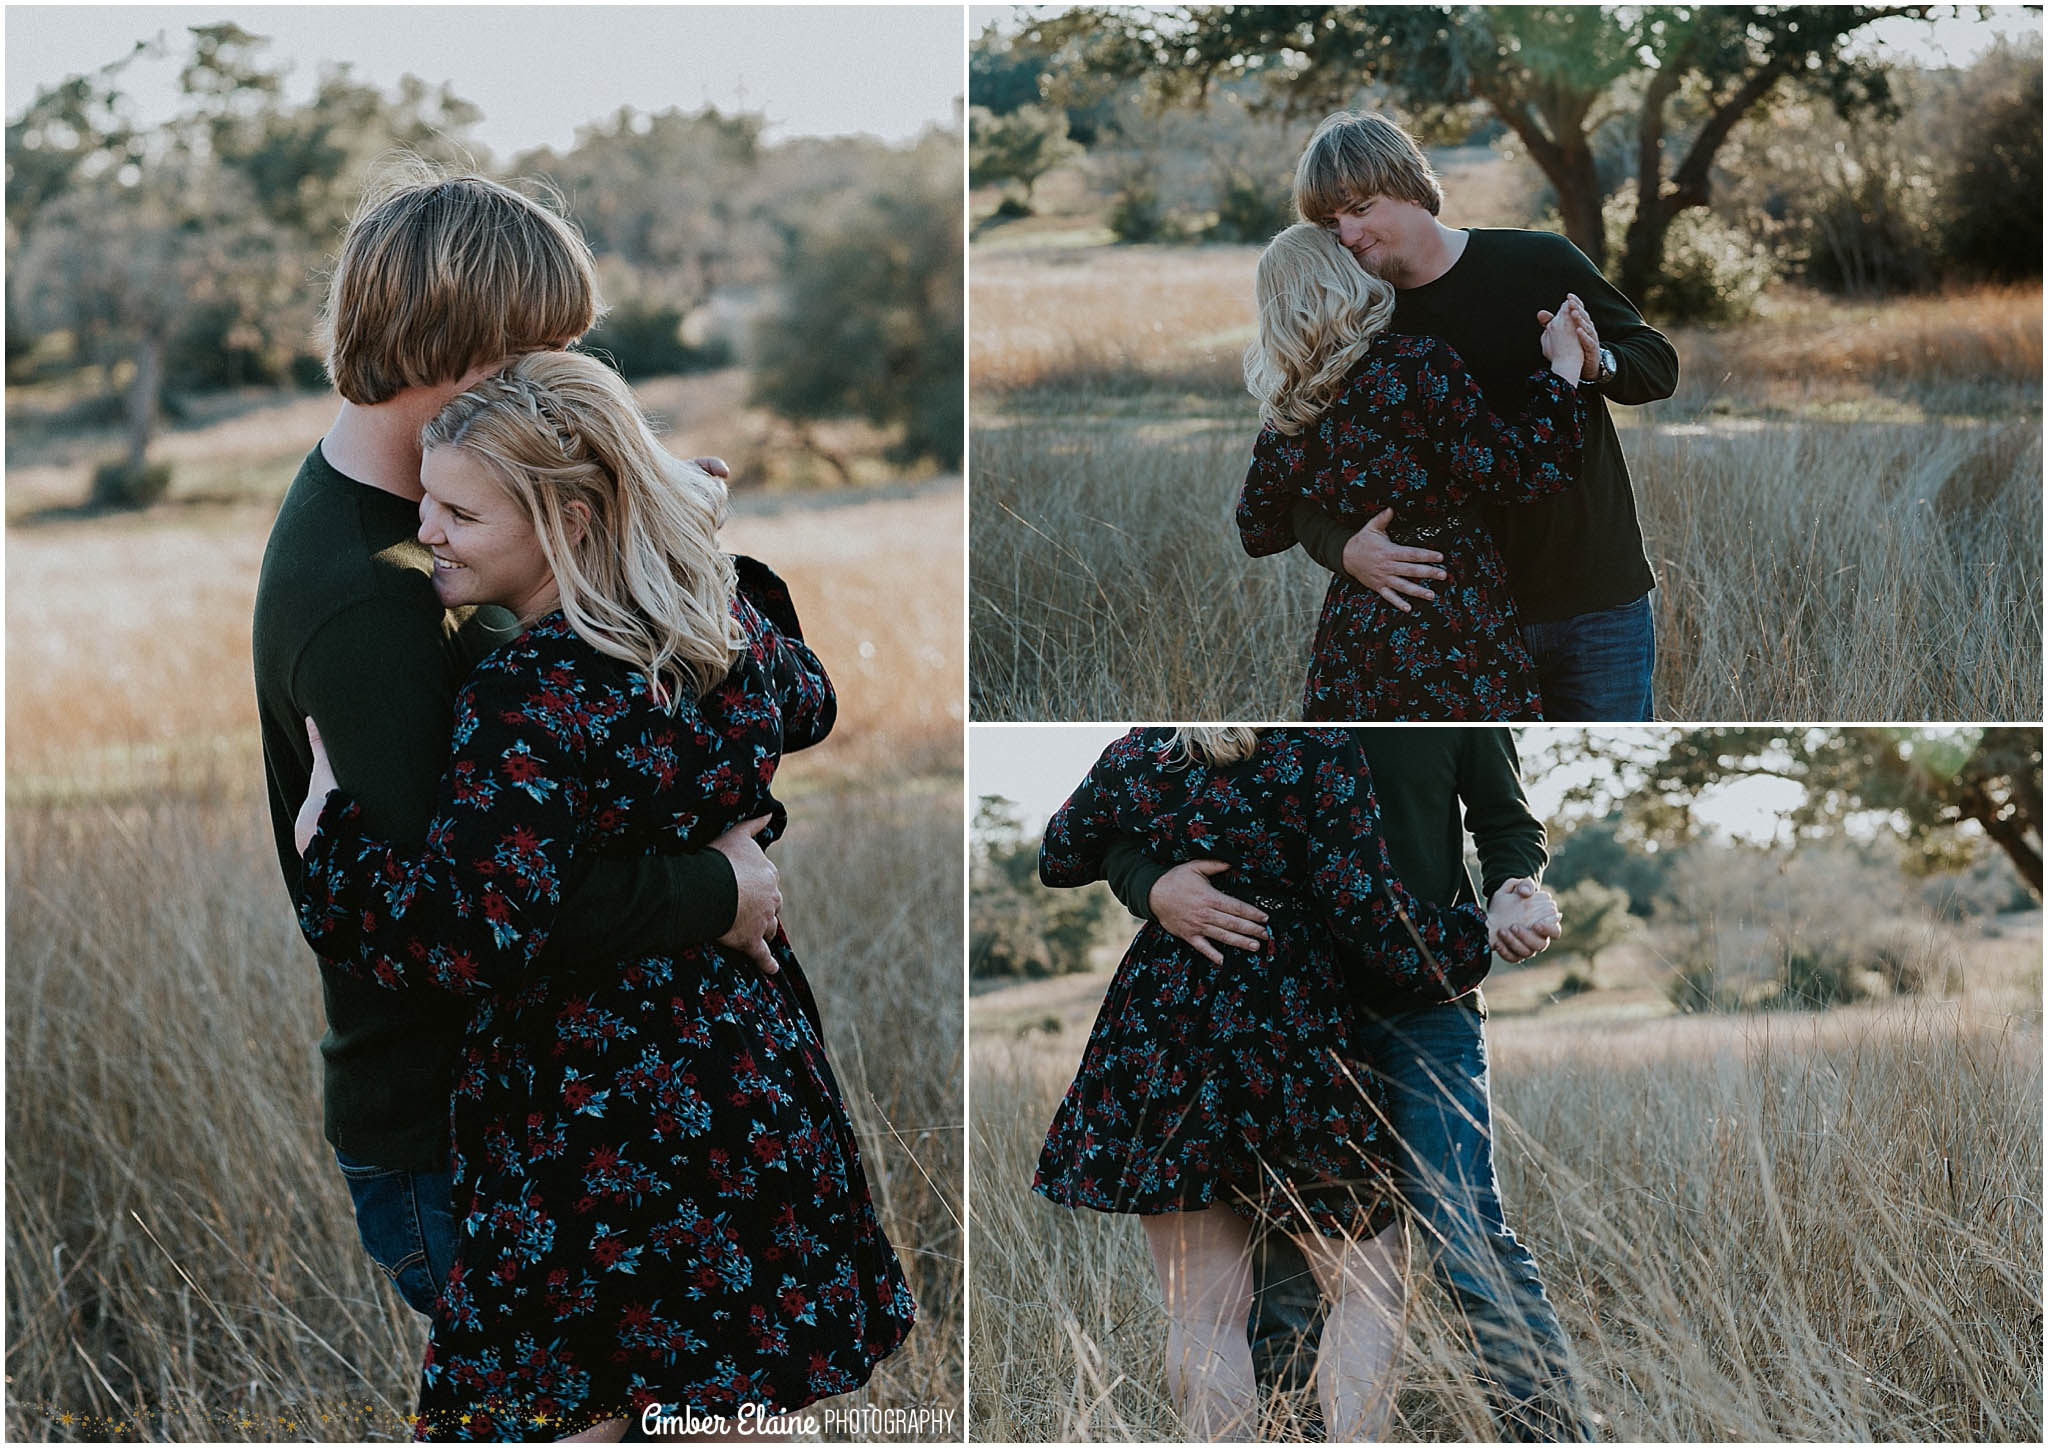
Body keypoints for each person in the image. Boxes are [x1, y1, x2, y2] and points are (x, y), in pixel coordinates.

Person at [290, 351, 915, 1440]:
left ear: (570, 521)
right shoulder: (719, 636)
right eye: (426, 500)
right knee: (731, 1402)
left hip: (597, 1109)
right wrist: (691, 542)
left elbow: (471, 934)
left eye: (460, 512)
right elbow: (807, 699)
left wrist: (331, 846)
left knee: (585, 1412)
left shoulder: (526, 693)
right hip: (749, 1075)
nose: (425, 529)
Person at [251, 169, 788, 1325]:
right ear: (457, 348)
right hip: (455, 1133)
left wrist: (664, 548)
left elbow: (607, 749)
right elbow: (470, 920)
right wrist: (716, 887)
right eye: (540, 350)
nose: (562, 380)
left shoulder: (460, 520)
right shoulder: (375, 601)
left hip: (564, 1101)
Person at [1033, 727, 1555, 1440]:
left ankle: (1546, 1429)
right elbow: (1364, 912)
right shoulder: (1317, 749)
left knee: (1203, 1314)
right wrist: (1478, 939)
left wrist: (1154, 874)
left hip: (1167, 1021)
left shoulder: (1139, 750)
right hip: (1289, 1026)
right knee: (1367, 1288)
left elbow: (1059, 852)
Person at [1287, 111, 1679, 722]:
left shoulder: (1537, 262)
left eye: (1359, 208)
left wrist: (1591, 361)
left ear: (1412, 185)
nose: (1347, 235)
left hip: (1596, 603)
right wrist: (1345, 550)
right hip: (1455, 625)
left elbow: (1656, 363)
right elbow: (1292, 477)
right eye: (1330, 223)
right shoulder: (1353, 319)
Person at [1237, 223, 1598, 720]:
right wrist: (1564, 368)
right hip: (1451, 608)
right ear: (1345, 279)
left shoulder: (1287, 409)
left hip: (1356, 625)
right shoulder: (1419, 364)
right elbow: (1520, 473)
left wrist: (1344, 545)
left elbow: (1257, 530)